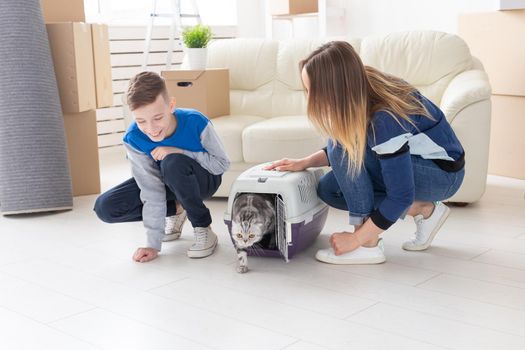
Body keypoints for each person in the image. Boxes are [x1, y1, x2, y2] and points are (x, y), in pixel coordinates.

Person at [265, 41, 465, 265]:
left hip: (442, 174)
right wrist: (306, 162)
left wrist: (356, 239)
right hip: (421, 165)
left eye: (313, 90)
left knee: (340, 143)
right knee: (331, 190)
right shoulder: (360, 85)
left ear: (334, 88)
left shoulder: (384, 118)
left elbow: (400, 195)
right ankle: (424, 210)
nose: (310, 99)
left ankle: (368, 246)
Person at [94, 71, 230, 263]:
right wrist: (152, 243)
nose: (151, 128)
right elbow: (151, 188)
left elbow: (221, 165)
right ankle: (176, 208)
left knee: (173, 161)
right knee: (105, 207)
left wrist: (180, 151)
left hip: (204, 180)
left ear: (171, 105)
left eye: (157, 118)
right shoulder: (133, 138)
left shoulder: (196, 121)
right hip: (165, 182)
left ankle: (203, 227)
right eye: (141, 121)